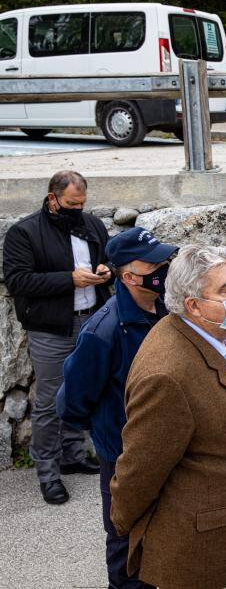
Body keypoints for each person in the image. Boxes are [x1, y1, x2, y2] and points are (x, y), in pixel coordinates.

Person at [109, 245, 226, 589]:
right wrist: (124, 525)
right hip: (200, 550)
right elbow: (139, 470)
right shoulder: (168, 374)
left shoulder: (215, 333)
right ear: (193, 305)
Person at [56, 227, 176, 588]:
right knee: (127, 550)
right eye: (155, 265)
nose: (164, 269)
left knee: (165, 541)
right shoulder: (103, 330)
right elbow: (71, 402)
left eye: (165, 261)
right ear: (128, 277)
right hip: (123, 458)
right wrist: (110, 430)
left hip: (164, 450)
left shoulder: (165, 310)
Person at [2, 170, 110, 504]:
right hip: (51, 328)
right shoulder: (25, 232)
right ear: (53, 198)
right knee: (49, 401)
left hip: (91, 321)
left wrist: (107, 271)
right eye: (71, 203)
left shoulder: (92, 225)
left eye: (82, 203)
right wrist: (69, 280)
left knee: (83, 391)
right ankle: (48, 472)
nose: (77, 208)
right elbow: (18, 281)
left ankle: (73, 454)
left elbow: (108, 261)